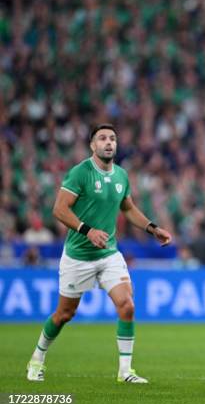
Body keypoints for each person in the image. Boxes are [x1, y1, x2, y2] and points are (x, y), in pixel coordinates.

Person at [26, 124, 172, 383]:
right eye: (102, 138)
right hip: (78, 256)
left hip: (108, 255)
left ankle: (125, 371)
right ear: (92, 145)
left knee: (127, 306)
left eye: (112, 138)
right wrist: (87, 230)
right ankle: (37, 359)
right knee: (64, 315)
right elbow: (59, 210)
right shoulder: (80, 173)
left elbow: (128, 208)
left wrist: (152, 228)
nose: (109, 143)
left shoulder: (121, 176)